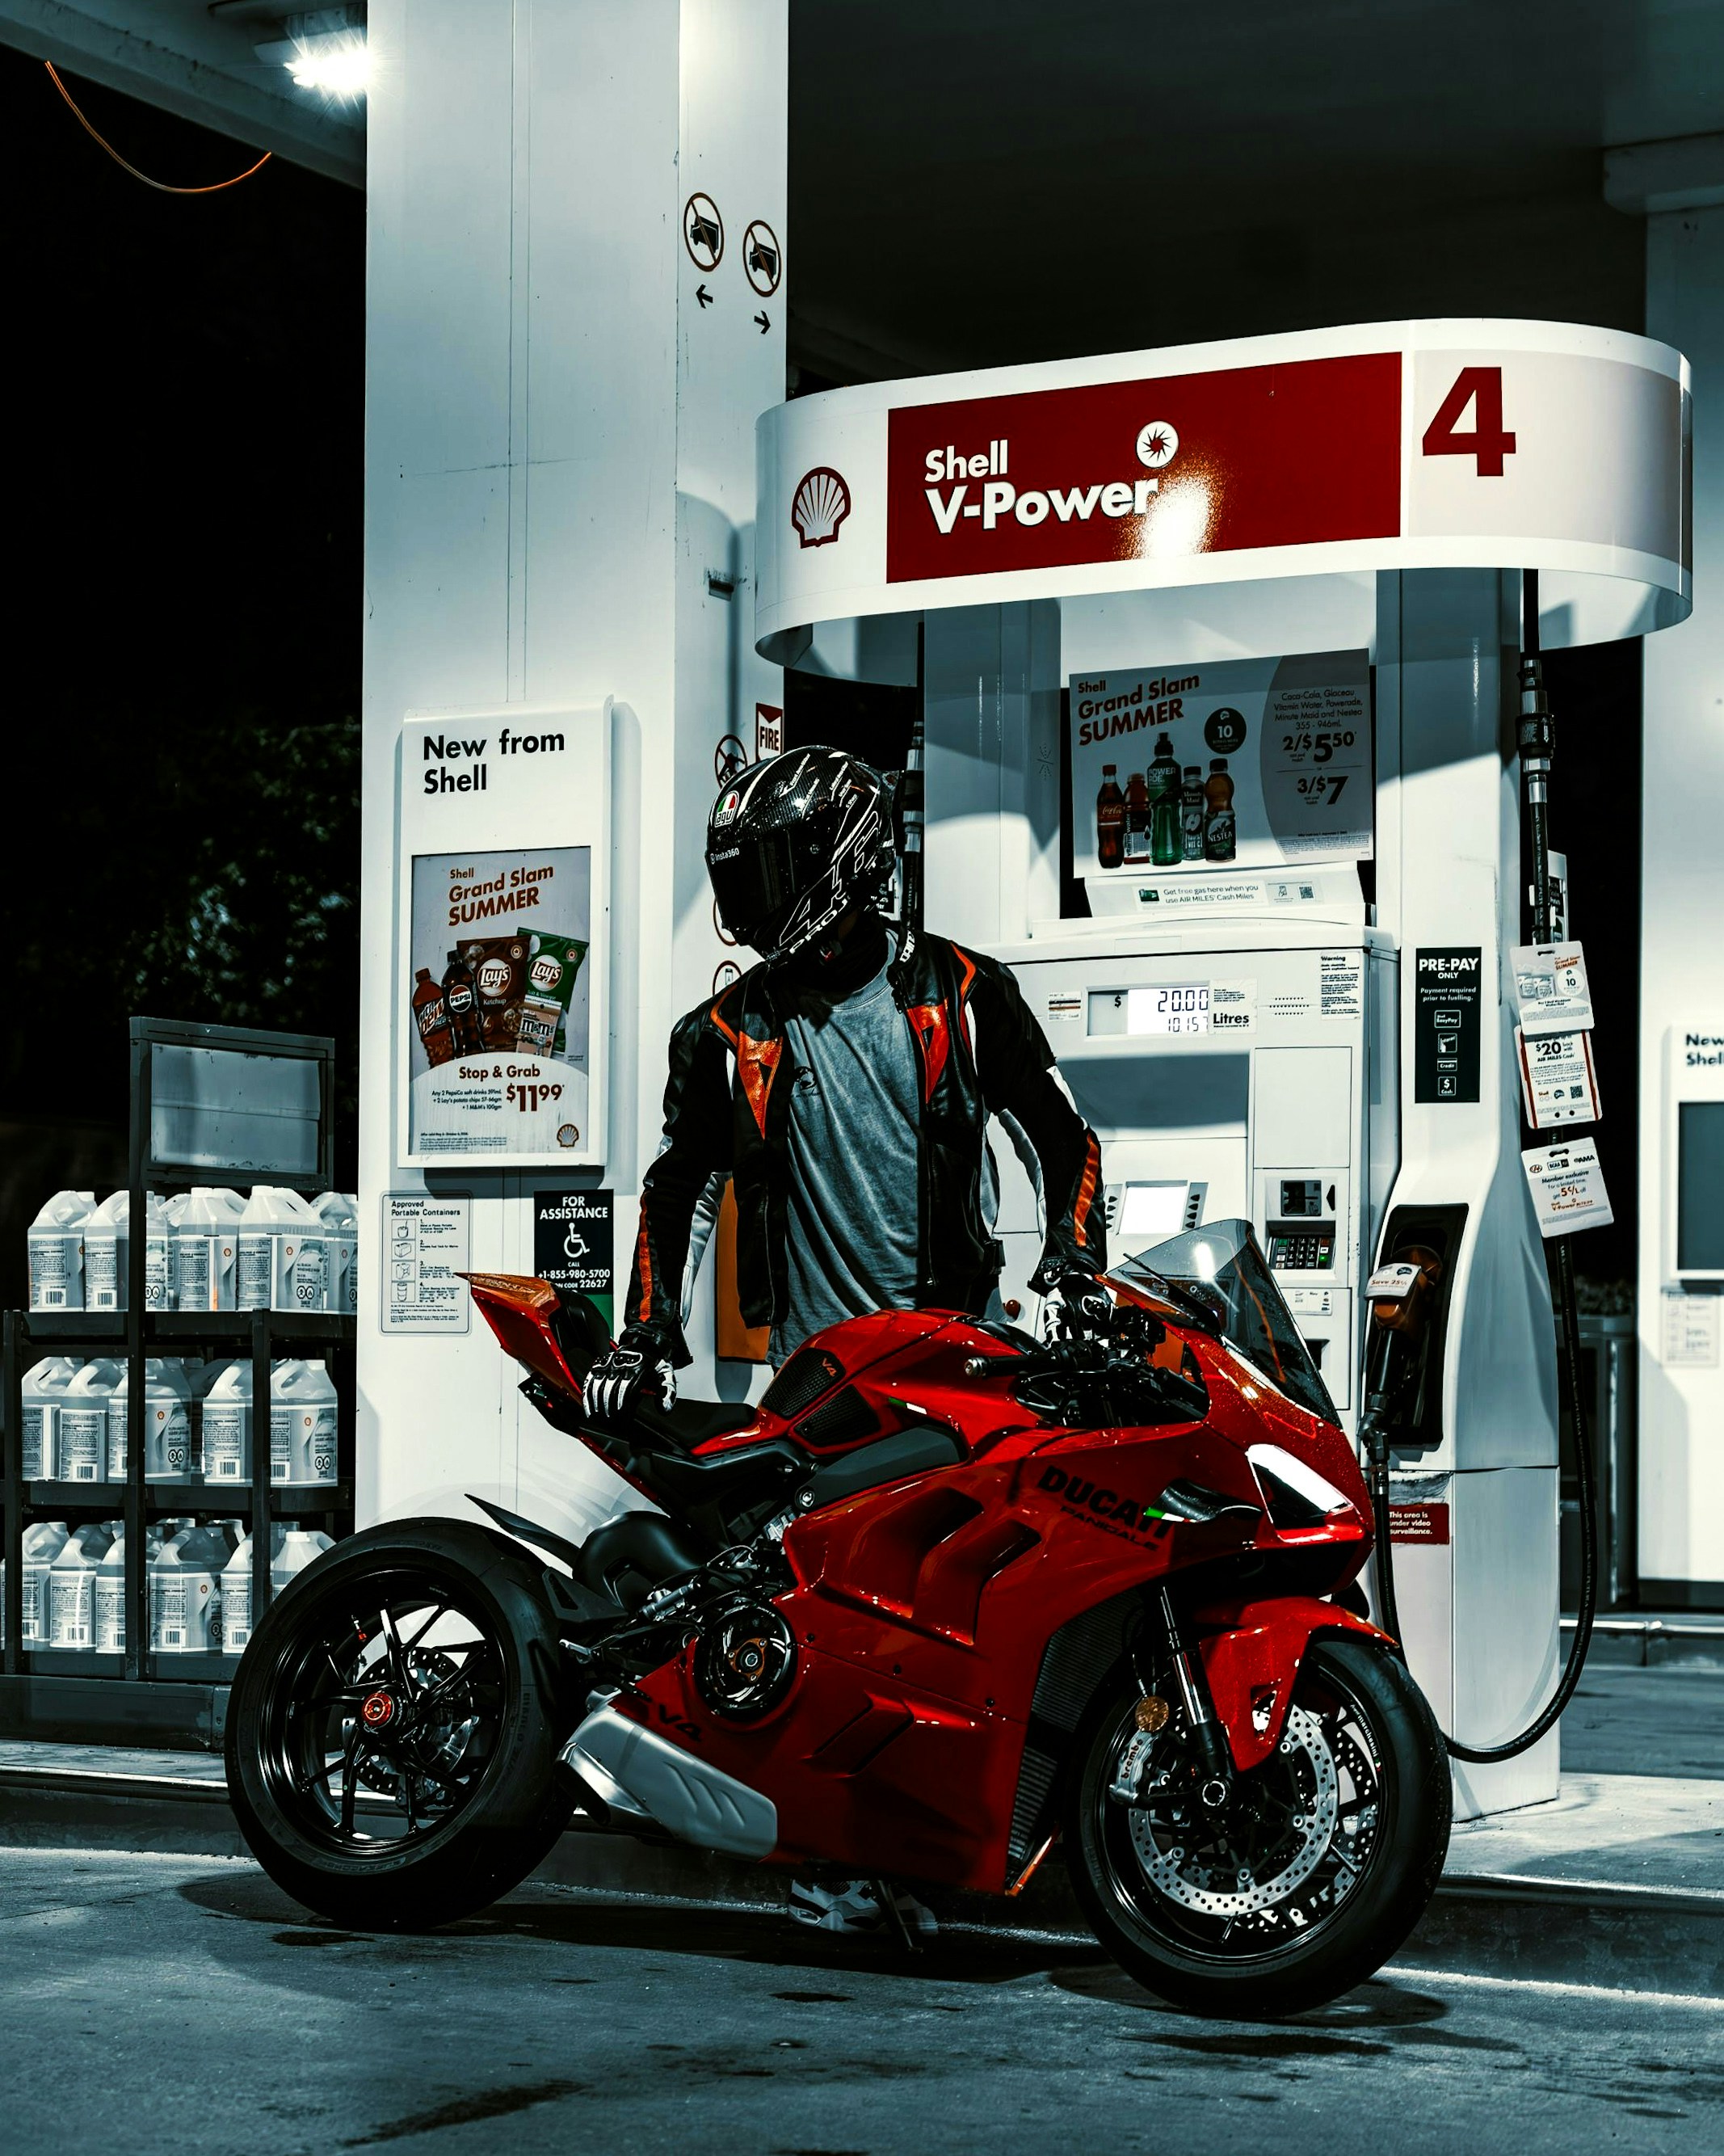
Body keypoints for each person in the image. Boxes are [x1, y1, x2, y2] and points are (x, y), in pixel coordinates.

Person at [582, 743, 1109, 1933]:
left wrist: (1075, 1269)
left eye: (770, 867)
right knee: (834, 1625)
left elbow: (1062, 1137)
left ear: (849, 860)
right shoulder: (726, 1031)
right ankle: (829, 1858)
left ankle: (955, 1843)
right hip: (817, 1378)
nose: (750, 896)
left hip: (960, 1365)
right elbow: (677, 1190)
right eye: (740, 872)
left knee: (960, 1618)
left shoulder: (964, 993)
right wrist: (642, 1334)